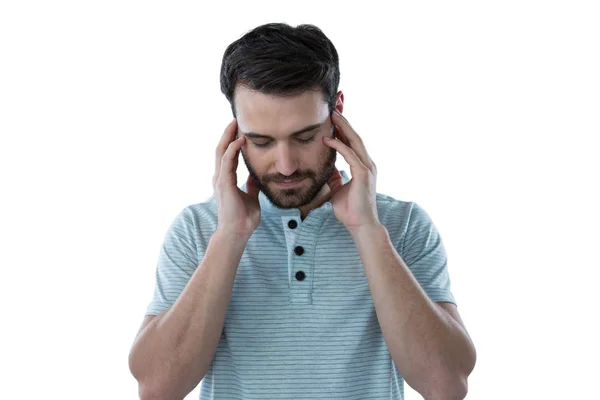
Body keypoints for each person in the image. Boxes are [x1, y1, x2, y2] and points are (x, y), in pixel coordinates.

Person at [128, 22, 476, 400]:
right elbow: (156, 388)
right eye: (261, 141)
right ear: (235, 131)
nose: (286, 165)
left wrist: (366, 230)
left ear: (337, 111)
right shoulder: (198, 229)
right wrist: (230, 236)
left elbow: (446, 385)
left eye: (305, 137)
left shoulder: (402, 226)